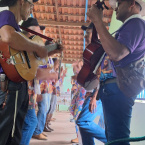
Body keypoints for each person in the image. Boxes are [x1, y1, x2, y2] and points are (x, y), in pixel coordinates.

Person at [86, 0, 145, 144]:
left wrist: (98, 21)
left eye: (119, 2)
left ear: (131, 3)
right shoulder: (130, 26)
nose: (116, 7)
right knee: (115, 137)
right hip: (115, 88)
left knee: (118, 139)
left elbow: (117, 53)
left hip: (117, 89)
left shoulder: (136, 23)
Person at [76, 24, 107, 145]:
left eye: (88, 33)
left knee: (83, 122)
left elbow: (103, 75)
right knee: (84, 130)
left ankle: (111, 140)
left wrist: (94, 97)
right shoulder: (94, 50)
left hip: (96, 95)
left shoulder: (102, 50)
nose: (85, 36)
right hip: (90, 93)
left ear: (97, 34)